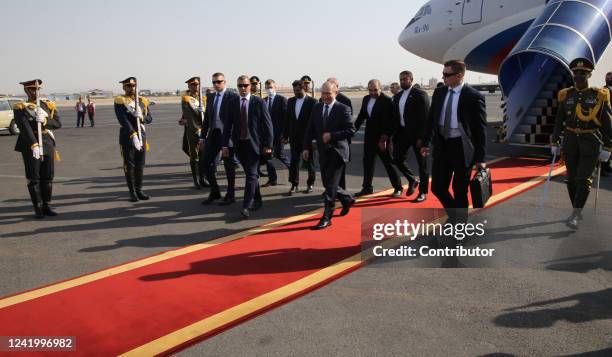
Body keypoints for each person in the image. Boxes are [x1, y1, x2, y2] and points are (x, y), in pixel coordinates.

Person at [421, 60, 487, 222]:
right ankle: (456, 216)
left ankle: (460, 225)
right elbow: (431, 120)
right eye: (443, 74)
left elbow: (480, 130)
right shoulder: (440, 92)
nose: (443, 77)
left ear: (459, 75)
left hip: (462, 148)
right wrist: (426, 142)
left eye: (446, 74)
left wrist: (480, 158)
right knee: (437, 187)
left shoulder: (473, 96)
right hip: (442, 145)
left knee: (460, 190)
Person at [551, 58, 612, 229]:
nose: (578, 76)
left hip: (590, 142)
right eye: (576, 73)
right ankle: (576, 210)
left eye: (582, 73)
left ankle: (575, 215)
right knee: (570, 180)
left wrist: (608, 146)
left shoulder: (599, 95)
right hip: (570, 141)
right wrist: (554, 140)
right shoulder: (565, 95)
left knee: (583, 179)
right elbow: (559, 120)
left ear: (589, 74)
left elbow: (607, 123)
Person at [303, 81, 355, 230]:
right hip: (323, 151)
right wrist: (306, 148)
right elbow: (310, 129)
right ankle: (347, 198)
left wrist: (332, 135)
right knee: (328, 183)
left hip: (338, 152)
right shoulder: (317, 107)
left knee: (331, 186)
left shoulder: (343, 109)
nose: (325, 96)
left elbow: (351, 130)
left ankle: (327, 217)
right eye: (323, 93)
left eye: (328, 94)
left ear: (335, 93)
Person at [222, 75, 273, 218]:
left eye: (245, 85)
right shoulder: (232, 103)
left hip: (255, 145)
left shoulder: (258, 102)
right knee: (251, 174)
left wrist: (268, 145)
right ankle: (258, 199)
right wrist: (225, 145)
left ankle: (246, 205)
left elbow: (268, 125)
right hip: (239, 145)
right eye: (240, 86)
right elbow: (227, 126)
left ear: (250, 86)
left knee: (251, 174)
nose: (243, 88)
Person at [13, 79, 62, 218]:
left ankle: (47, 205)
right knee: (34, 177)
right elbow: (24, 127)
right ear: (26, 91)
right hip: (31, 145)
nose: (35, 92)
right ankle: (38, 207)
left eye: (37, 89)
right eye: (32, 90)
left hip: (47, 143)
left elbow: (58, 124)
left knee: (48, 176)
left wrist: (46, 121)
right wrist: (34, 144)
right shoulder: (21, 107)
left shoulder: (48, 105)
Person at [354, 79, 403, 197]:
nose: (372, 92)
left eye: (375, 90)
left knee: (388, 163)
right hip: (369, 137)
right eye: (370, 90)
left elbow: (392, 122)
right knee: (368, 163)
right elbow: (362, 116)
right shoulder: (366, 99)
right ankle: (367, 188)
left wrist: (384, 138)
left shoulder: (387, 101)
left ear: (380, 88)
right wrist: (352, 130)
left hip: (382, 138)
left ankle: (398, 188)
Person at [389, 70, 431, 202]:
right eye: (401, 79)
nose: (403, 82)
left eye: (405, 79)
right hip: (402, 133)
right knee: (397, 158)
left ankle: (423, 192)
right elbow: (395, 117)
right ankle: (412, 179)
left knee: (422, 164)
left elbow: (425, 119)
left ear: (411, 80)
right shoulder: (398, 96)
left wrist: (421, 138)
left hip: (417, 135)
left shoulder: (420, 95)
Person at [200, 72, 239, 205]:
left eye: (219, 82)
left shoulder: (232, 97)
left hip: (227, 135)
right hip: (214, 134)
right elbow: (207, 119)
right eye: (214, 82)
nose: (216, 84)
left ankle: (231, 194)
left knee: (229, 166)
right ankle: (215, 191)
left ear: (225, 82)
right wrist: (202, 137)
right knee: (204, 163)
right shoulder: (210, 97)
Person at [114, 77, 153, 202]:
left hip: (142, 135)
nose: (131, 88)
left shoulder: (142, 101)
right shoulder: (120, 100)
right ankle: (132, 192)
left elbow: (150, 118)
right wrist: (133, 134)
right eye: (128, 86)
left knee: (140, 165)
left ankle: (139, 190)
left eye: (133, 86)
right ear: (124, 87)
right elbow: (123, 120)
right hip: (128, 137)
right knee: (129, 166)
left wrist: (141, 117)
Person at [284, 79, 317, 194]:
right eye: (294, 90)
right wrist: (285, 135)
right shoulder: (291, 101)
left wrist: (314, 138)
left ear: (304, 88)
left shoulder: (313, 102)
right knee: (294, 161)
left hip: (307, 138)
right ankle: (294, 184)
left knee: (309, 161)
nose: (296, 92)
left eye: (298, 90)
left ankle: (310, 184)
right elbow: (288, 120)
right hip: (294, 137)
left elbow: (315, 123)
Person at [180, 76, 208, 189]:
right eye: (192, 85)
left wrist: (204, 113)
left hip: (204, 130)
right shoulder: (186, 99)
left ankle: (202, 178)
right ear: (188, 86)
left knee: (203, 156)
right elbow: (189, 117)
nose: (195, 86)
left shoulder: (204, 99)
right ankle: (196, 180)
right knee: (194, 155)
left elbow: (208, 115)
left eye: (196, 84)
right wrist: (197, 129)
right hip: (192, 131)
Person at [262, 79, 290, 187]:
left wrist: (285, 134)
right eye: (267, 88)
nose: (269, 90)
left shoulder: (282, 100)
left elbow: (286, 119)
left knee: (280, 155)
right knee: (268, 158)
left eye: (271, 87)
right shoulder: (263, 101)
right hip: (267, 136)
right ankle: (272, 179)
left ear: (275, 88)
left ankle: (293, 173)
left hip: (279, 135)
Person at [601, 71, 612, 176]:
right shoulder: (603, 90)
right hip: (606, 122)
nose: (609, 79)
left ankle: (608, 164)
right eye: (608, 78)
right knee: (605, 144)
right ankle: (601, 168)